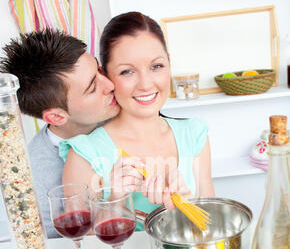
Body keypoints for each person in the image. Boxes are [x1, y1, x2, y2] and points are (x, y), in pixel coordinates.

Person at [60, 12, 215, 226]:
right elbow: (81, 248)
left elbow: (210, 228)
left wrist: (181, 208)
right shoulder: (85, 154)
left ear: (169, 64)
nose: (145, 84)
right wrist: (116, 200)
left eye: (156, 66)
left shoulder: (194, 135)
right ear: (106, 76)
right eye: (126, 71)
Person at [0, 29, 120, 237]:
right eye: (92, 88)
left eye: (99, 69)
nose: (110, 85)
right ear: (56, 117)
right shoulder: (31, 182)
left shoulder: (126, 115)